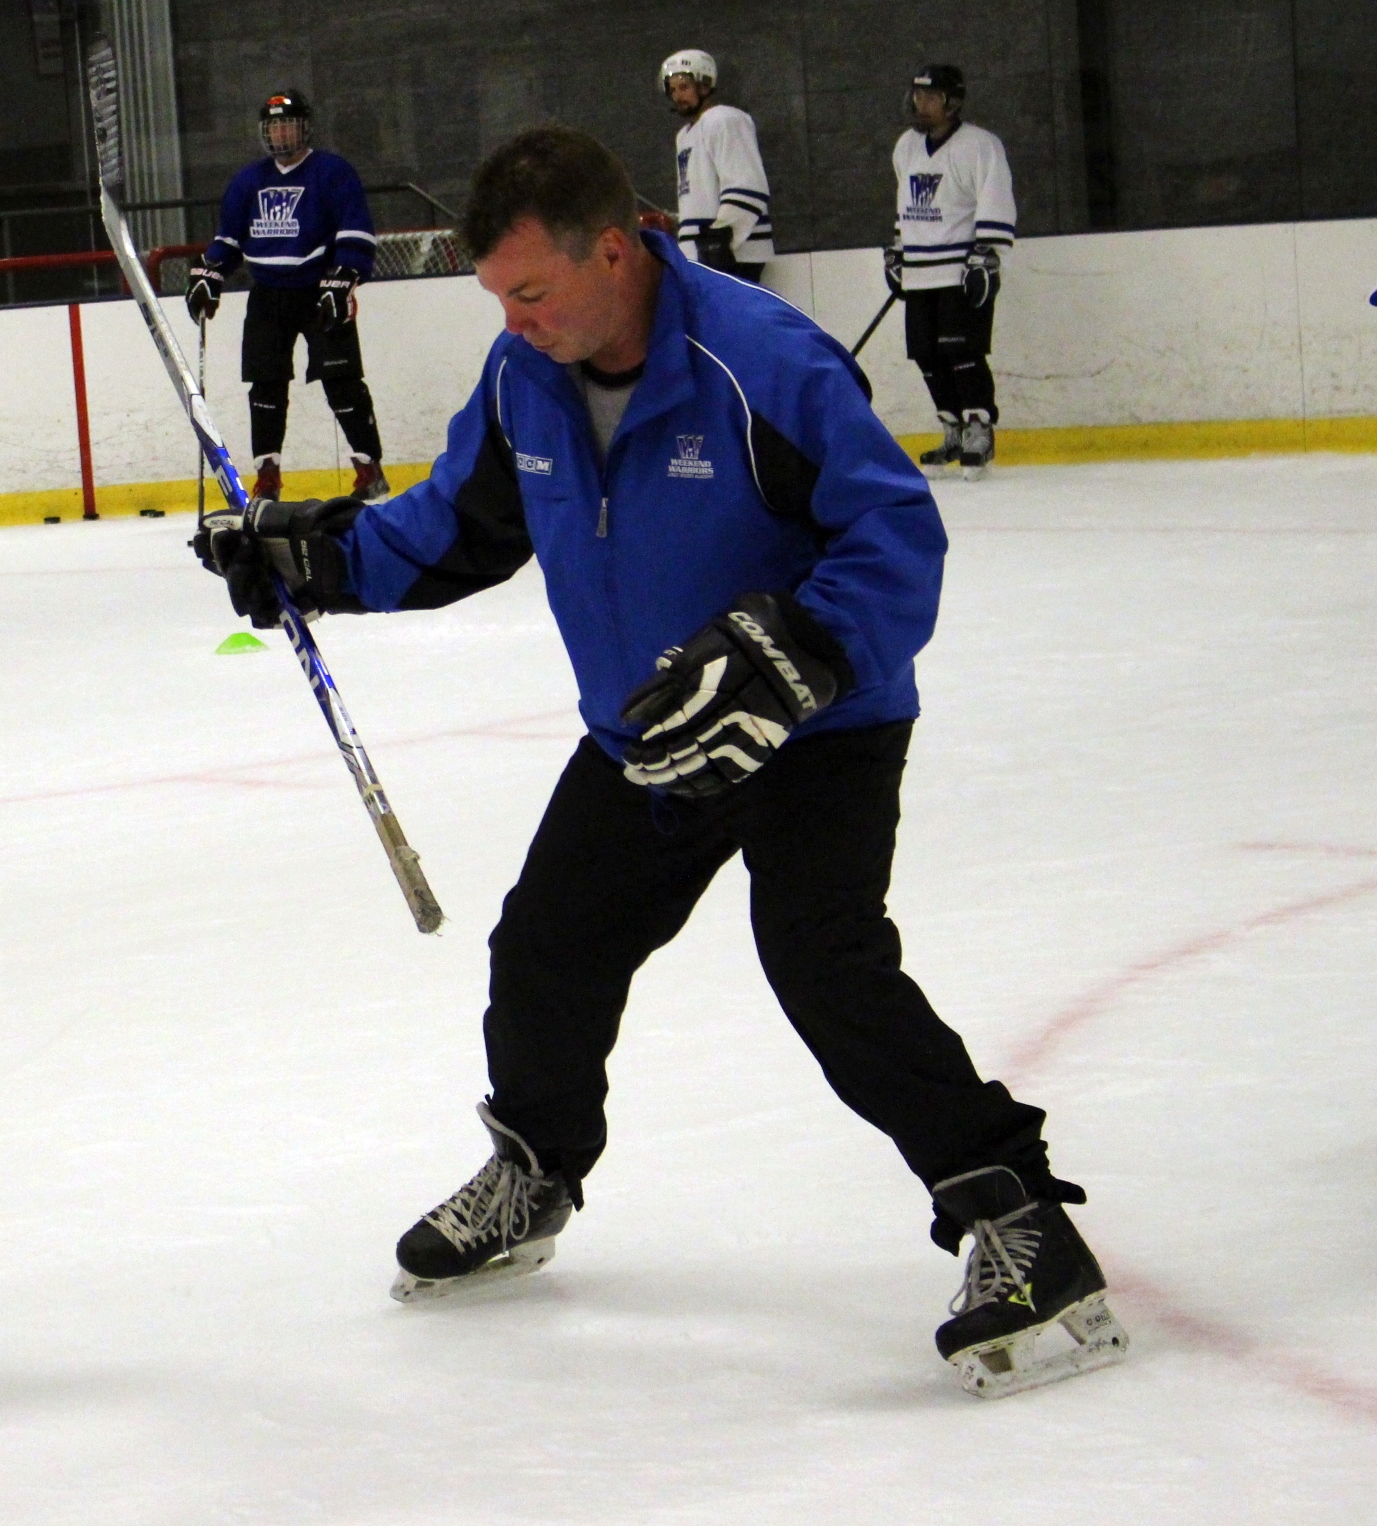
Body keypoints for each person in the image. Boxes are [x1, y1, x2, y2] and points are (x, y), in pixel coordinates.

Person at [192, 127, 1126, 1399]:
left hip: (818, 729)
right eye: (497, 298)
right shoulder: (525, 375)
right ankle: (533, 1167)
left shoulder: (758, 359)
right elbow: (453, 526)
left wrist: (801, 647)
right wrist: (313, 562)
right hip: (646, 730)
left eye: (531, 290)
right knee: (545, 946)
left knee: (822, 959)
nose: (513, 320)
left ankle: (1018, 1219)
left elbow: (895, 537)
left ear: (614, 248)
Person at [187, 89, 391, 505]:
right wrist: (210, 271)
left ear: (304, 128)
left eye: (288, 124)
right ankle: (267, 476)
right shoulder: (248, 180)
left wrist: (345, 275)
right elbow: (228, 239)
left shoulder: (332, 172)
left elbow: (355, 230)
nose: (280, 133)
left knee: (341, 381)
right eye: (274, 125)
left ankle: (370, 469)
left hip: (320, 291)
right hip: (268, 296)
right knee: (265, 386)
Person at [883, 64, 1015, 479]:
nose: (921, 103)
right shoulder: (906, 145)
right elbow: (904, 205)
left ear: (952, 102)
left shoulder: (980, 145)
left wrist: (986, 256)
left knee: (963, 352)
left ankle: (980, 430)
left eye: (931, 97)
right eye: (917, 95)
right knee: (926, 354)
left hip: (959, 270)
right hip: (920, 270)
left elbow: (994, 201)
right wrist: (898, 249)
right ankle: (953, 428)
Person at [660, 48, 773, 283]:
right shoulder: (685, 135)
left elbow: (749, 186)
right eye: (672, 90)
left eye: (684, 87)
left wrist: (720, 239)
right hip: (700, 257)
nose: (678, 95)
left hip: (733, 256)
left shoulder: (724, 119)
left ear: (704, 85)